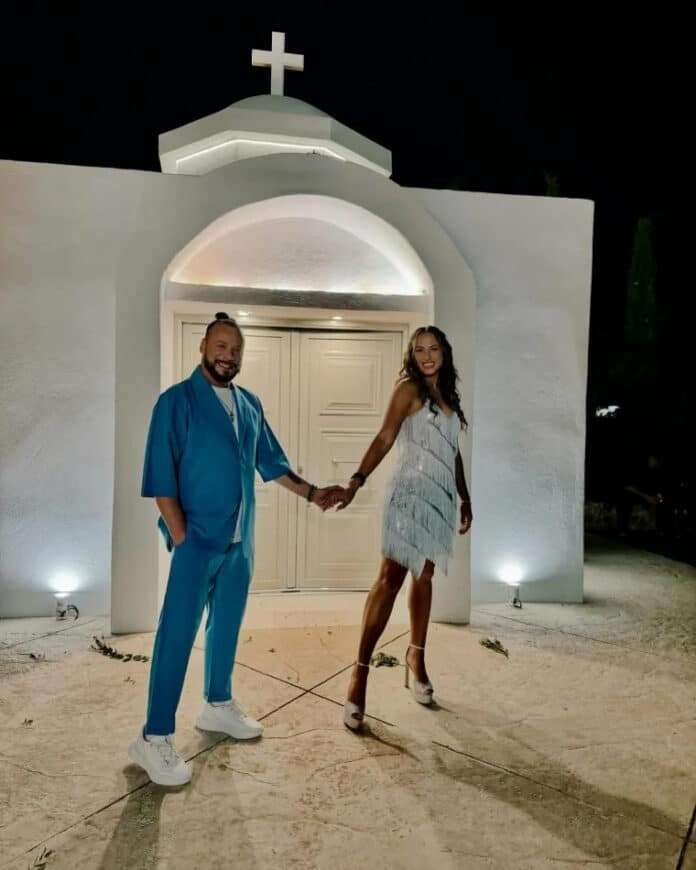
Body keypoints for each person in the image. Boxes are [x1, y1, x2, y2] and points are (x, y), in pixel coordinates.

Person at [128, 312, 342, 785]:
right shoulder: (176, 402)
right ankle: (154, 735)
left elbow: (271, 462)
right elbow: (161, 477)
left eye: (236, 349)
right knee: (177, 634)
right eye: (220, 346)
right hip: (196, 541)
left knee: (225, 627)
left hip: (240, 541)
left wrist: (312, 493)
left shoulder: (249, 404)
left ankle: (218, 704)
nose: (228, 355)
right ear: (204, 348)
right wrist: (182, 537)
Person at [337, 326, 472, 730]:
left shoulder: (448, 396)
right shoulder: (407, 391)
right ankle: (360, 671)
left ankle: (416, 655)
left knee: (424, 576)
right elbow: (384, 437)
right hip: (408, 497)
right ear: (412, 356)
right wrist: (357, 479)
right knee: (389, 579)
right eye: (419, 350)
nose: (427, 356)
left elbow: (452, 453)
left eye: (434, 349)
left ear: (444, 353)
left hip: (439, 500)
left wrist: (465, 496)